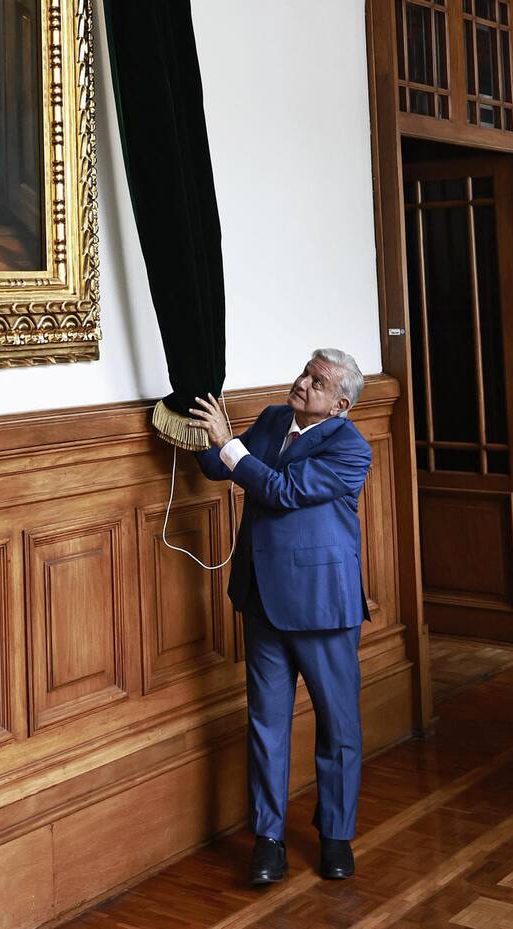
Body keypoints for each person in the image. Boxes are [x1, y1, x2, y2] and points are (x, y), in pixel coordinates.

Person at [189, 348, 370, 888]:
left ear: (340, 403)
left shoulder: (350, 447)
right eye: (304, 372)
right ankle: (268, 838)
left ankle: (335, 835)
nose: (303, 383)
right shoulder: (272, 419)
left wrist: (229, 447)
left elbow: (282, 490)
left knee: (337, 726)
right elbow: (218, 464)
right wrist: (196, 423)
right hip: (262, 598)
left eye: (317, 381)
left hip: (322, 605)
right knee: (266, 725)